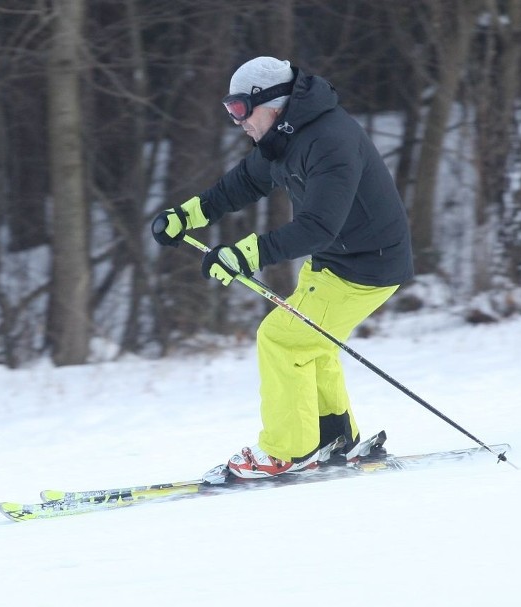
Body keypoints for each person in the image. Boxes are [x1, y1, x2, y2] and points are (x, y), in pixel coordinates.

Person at [152, 56, 414, 479]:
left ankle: (286, 451)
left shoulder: (329, 141)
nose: (238, 121)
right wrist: (186, 215)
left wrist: (244, 255)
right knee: (312, 345)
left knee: (282, 340)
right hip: (335, 262)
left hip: (366, 267)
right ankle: (334, 440)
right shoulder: (285, 136)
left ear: (273, 103)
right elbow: (241, 184)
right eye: (230, 111)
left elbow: (317, 227)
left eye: (240, 109)